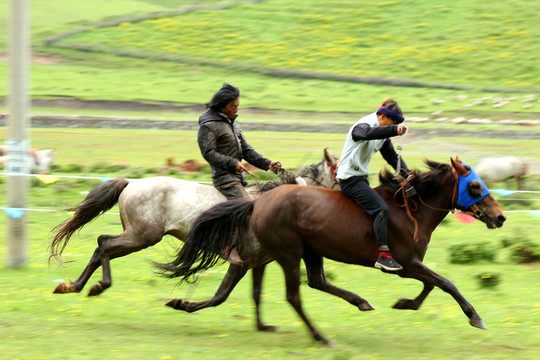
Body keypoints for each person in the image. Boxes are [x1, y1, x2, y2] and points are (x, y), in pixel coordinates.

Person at [197, 83, 281, 265]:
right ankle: (225, 246)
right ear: (222, 106)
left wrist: (267, 164)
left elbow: (246, 150)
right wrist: (233, 163)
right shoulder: (209, 126)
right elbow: (208, 153)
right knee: (246, 207)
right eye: (233, 106)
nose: (236, 110)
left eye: (237, 106)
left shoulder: (233, 123)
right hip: (224, 178)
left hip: (239, 177)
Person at [336, 98, 410, 271]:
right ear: (383, 117)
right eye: (394, 122)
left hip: (360, 179)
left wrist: (408, 174)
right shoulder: (362, 125)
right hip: (349, 180)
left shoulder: (381, 133)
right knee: (381, 209)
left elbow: (392, 157)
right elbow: (366, 134)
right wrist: (394, 130)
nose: (394, 126)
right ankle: (383, 256)